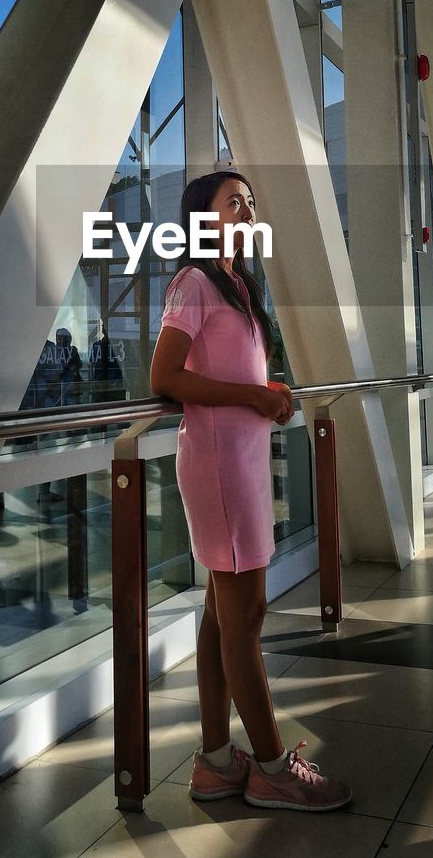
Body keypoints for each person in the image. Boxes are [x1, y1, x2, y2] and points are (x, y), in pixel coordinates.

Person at [150, 169, 352, 813]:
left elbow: (234, 370)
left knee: (223, 617)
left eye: (249, 201)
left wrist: (270, 396)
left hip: (239, 460)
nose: (245, 208)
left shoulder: (235, 285)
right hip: (216, 465)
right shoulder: (193, 282)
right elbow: (166, 375)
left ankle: (214, 762)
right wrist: (252, 396)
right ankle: (271, 769)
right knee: (244, 619)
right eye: (232, 200)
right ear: (200, 216)